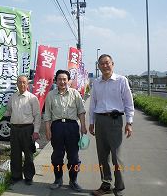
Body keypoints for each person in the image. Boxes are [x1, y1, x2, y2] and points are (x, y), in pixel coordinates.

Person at [89, 54, 134, 196]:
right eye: (101, 64)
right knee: (102, 156)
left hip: (115, 121)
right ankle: (106, 184)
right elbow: (93, 104)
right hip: (100, 121)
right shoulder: (96, 82)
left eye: (107, 63)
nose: (105, 66)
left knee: (116, 156)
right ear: (98, 66)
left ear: (112, 64)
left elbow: (128, 102)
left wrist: (129, 122)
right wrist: (91, 122)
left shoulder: (121, 80)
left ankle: (119, 188)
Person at [44, 69, 87, 192]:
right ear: (56, 80)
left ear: (68, 81)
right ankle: (58, 179)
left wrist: (83, 126)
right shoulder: (51, 95)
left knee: (73, 156)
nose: (62, 82)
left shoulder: (75, 93)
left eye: (64, 79)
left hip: (72, 127)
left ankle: (73, 181)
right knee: (57, 155)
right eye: (59, 79)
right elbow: (47, 115)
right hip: (57, 127)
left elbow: (81, 111)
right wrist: (47, 130)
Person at [3, 75, 41, 185]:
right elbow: (8, 112)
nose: (22, 84)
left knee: (28, 154)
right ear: (17, 84)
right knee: (15, 154)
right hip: (14, 129)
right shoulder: (13, 97)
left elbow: (37, 116)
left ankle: (29, 176)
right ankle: (16, 176)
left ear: (27, 84)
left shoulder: (32, 98)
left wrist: (36, 131)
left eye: (24, 82)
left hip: (28, 129)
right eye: (19, 82)